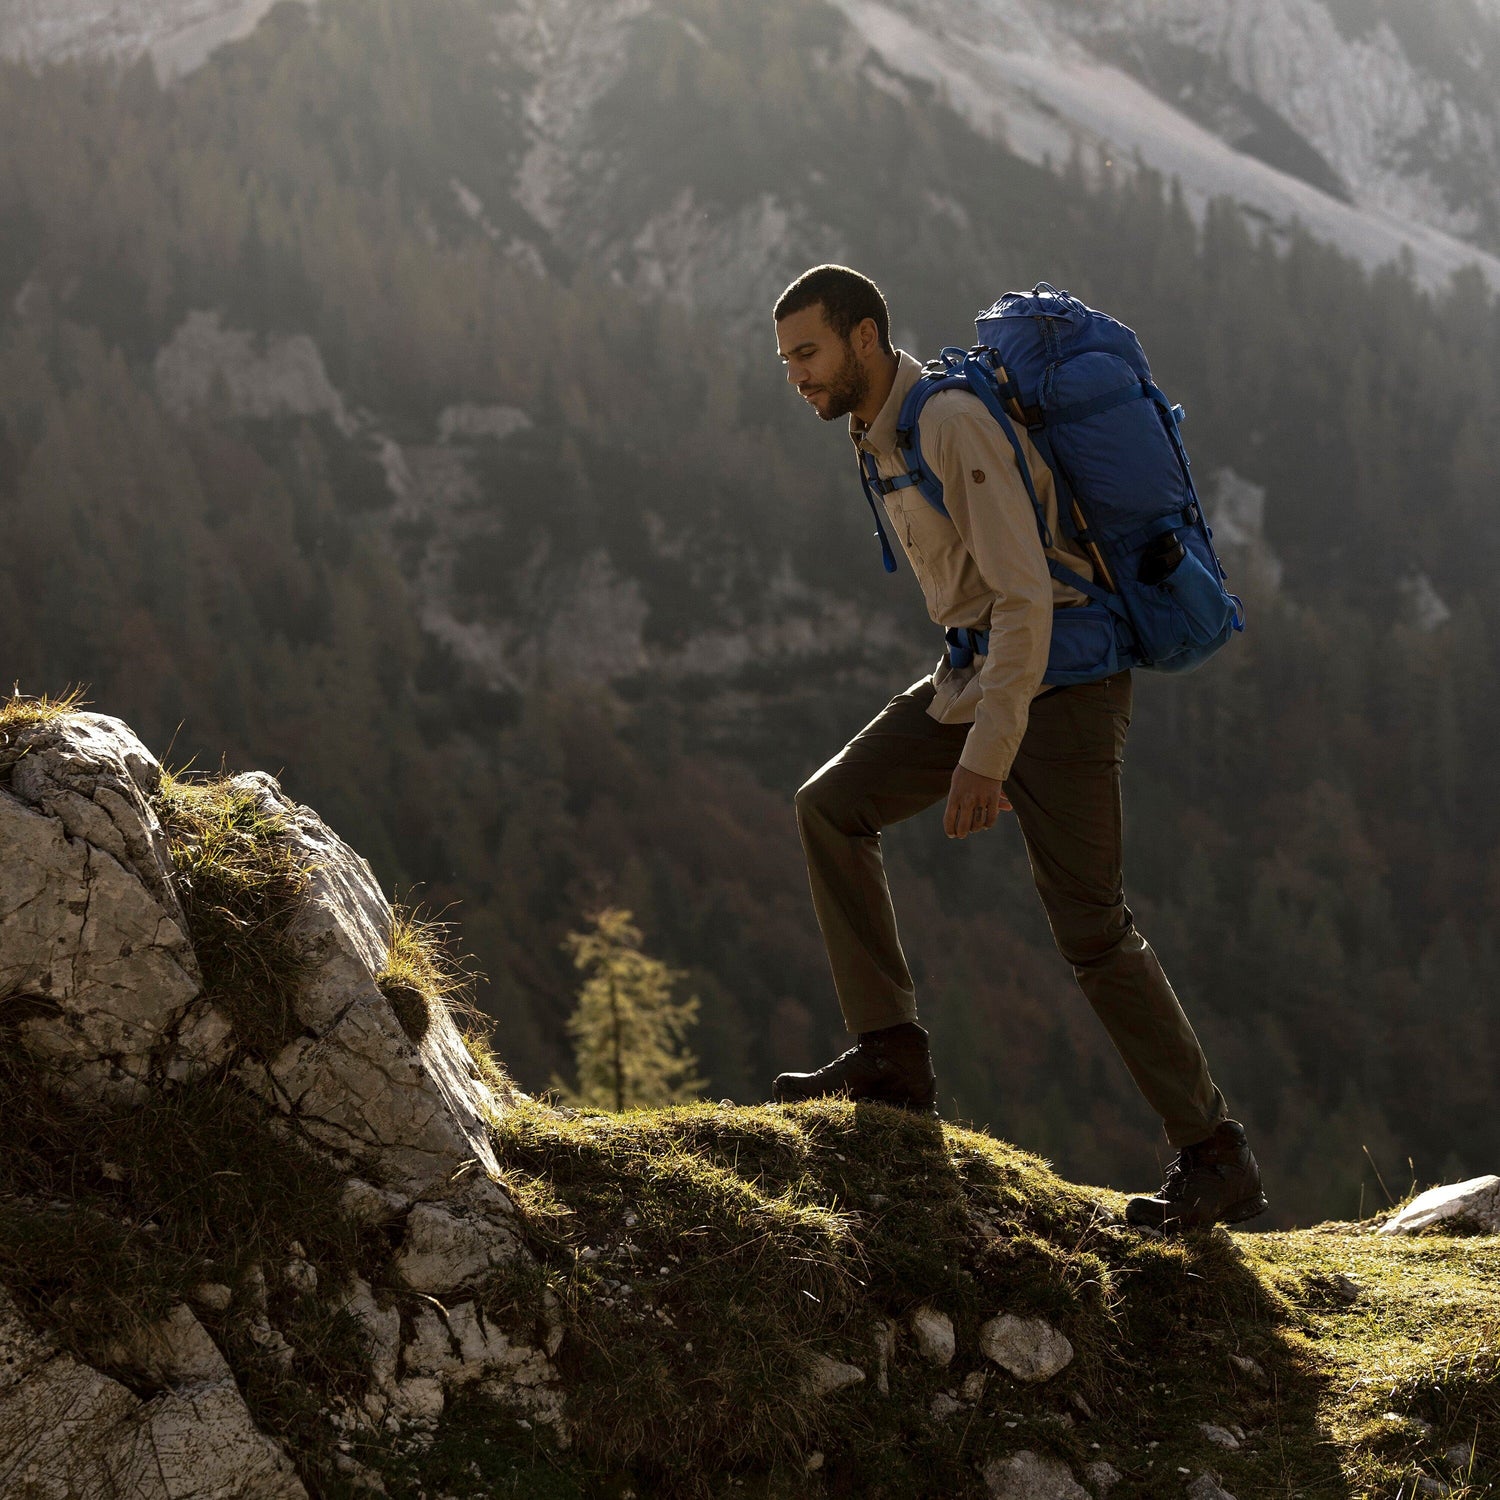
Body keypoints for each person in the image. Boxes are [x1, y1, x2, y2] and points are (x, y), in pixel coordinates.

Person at [769, 264, 1266, 1232]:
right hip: (980, 674)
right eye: (786, 358)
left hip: (1062, 685)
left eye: (808, 353)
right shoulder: (878, 434)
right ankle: (891, 1056)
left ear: (865, 338)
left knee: (1092, 929)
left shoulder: (948, 424)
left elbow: (1028, 595)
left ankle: (1216, 1157)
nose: (796, 376)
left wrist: (988, 755)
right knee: (830, 806)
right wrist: (977, 713)